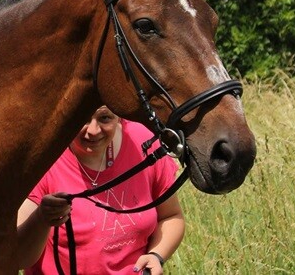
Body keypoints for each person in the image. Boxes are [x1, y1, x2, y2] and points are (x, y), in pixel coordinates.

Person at [16, 106, 185, 274]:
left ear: (119, 115)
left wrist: (156, 255)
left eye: (105, 118)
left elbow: (171, 216)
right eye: (82, 118)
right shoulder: (44, 155)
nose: (93, 131)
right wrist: (42, 218)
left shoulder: (143, 142)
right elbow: (19, 258)